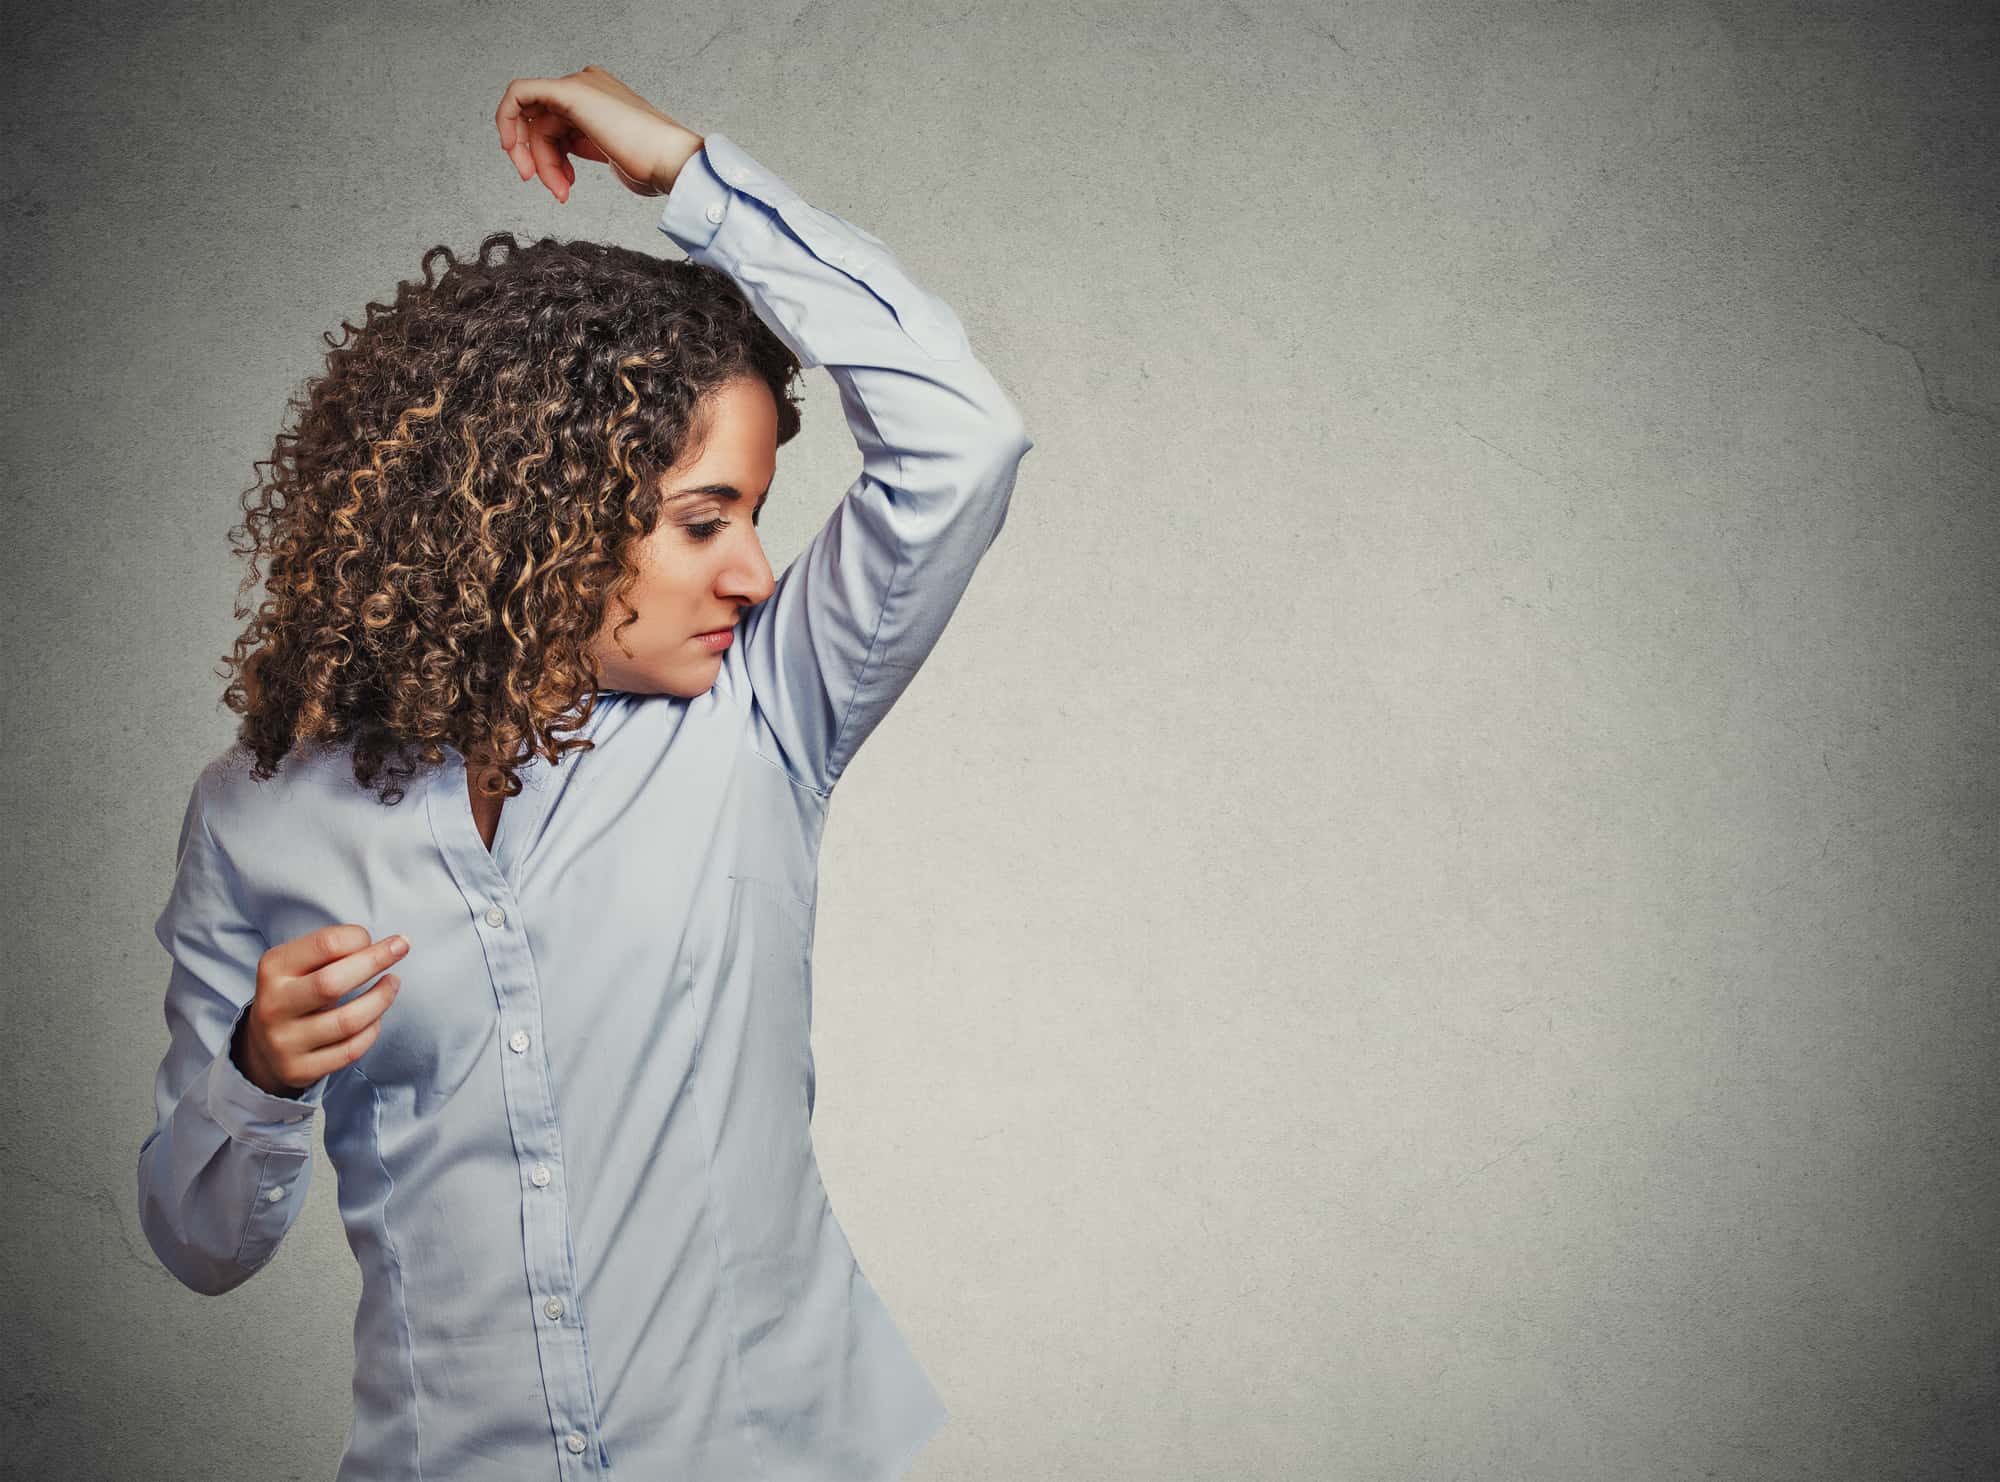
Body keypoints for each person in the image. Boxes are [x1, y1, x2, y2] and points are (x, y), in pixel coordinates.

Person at [137, 65, 1032, 1481]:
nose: (751, 566)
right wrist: (256, 1075)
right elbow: (200, 1242)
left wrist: (691, 177)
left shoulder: (763, 712)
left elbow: (964, 438)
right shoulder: (258, 820)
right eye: (699, 519)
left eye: (752, 513)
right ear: (532, 518)